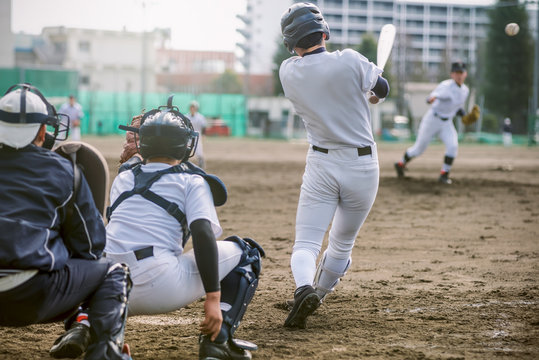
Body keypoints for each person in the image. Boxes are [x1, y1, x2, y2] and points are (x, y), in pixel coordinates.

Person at [51, 96, 264, 360]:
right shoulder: (192, 181)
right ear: (184, 144)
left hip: (107, 284)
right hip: (158, 283)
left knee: (96, 252)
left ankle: (85, 322)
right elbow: (202, 236)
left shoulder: (124, 177)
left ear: (143, 142)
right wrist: (212, 296)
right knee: (247, 253)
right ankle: (217, 342)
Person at [0, 83, 132, 360]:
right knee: (112, 270)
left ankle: (79, 326)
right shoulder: (63, 170)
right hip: (30, 294)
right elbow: (91, 246)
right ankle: (102, 349)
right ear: (40, 131)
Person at [279, 3, 389, 329]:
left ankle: (303, 288)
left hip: (321, 163)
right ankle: (319, 295)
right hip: (363, 166)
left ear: (291, 45)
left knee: (306, 243)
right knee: (342, 243)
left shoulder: (288, 71)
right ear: (324, 33)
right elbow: (382, 90)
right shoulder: (351, 60)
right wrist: (374, 89)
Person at [394, 61, 471, 184]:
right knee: (419, 149)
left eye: (461, 72)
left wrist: (464, 115)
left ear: (465, 74)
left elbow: (456, 107)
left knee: (453, 146)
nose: (459, 75)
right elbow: (432, 96)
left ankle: (444, 175)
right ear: (452, 74)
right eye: (456, 72)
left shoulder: (465, 91)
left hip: (447, 123)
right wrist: (431, 99)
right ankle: (400, 164)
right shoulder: (445, 86)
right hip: (432, 120)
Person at [187, 100, 207, 169]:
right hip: (188, 136)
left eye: (194, 107)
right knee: (186, 151)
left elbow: (204, 127)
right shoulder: (187, 116)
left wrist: (204, 135)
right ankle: (184, 165)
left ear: (196, 108)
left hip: (197, 137)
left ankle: (201, 166)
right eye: (191, 107)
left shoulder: (200, 117)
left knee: (199, 153)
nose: (192, 108)